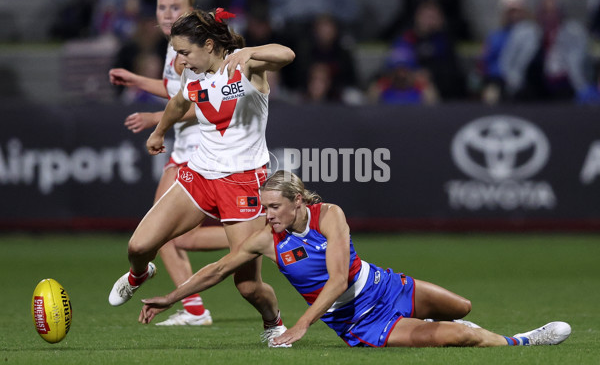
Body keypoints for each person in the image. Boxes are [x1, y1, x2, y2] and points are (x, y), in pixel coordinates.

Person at [138, 170, 572, 348]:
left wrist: (301, 325)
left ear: (295, 202)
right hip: (358, 320)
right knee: (459, 337)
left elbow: (339, 277)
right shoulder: (264, 240)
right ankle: (524, 341)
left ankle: (462, 328)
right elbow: (216, 270)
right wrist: (171, 297)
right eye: (263, 208)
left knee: (464, 310)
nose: (265, 215)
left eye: (272, 207)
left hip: (380, 284)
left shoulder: (330, 216)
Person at [108, 7, 296, 347]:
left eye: (184, 51)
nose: (180, 59)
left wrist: (249, 51)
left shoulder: (246, 67)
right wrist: (159, 131)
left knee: (248, 286)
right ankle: (140, 275)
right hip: (199, 175)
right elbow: (180, 103)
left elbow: (287, 54)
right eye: (177, 52)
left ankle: (274, 323)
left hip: (243, 183)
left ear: (209, 45)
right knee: (138, 246)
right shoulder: (191, 74)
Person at [109, 0, 229, 326]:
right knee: (172, 238)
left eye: (175, 8)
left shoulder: (193, 49)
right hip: (186, 148)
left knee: (164, 235)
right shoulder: (175, 46)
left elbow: (207, 104)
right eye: (162, 7)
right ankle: (194, 307)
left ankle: (261, 236)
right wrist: (134, 80)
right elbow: (173, 90)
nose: (167, 13)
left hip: (197, 150)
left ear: (190, 11)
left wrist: (157, 119)